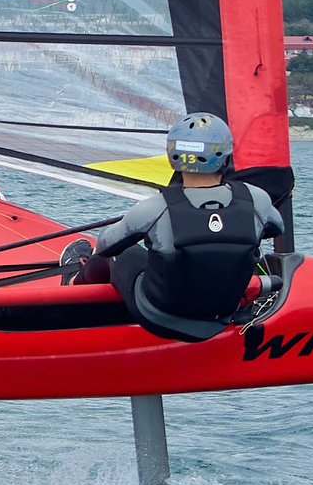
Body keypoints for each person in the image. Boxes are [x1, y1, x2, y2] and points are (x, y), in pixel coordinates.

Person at [66, 113, 283, 341]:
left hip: (159, 317)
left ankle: (72, 282)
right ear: (226, 160)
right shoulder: (256, 200)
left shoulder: (154, 208)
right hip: (221, 316)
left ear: (172, 160)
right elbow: (274, 229)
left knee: (121, 254)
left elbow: (105, 246)